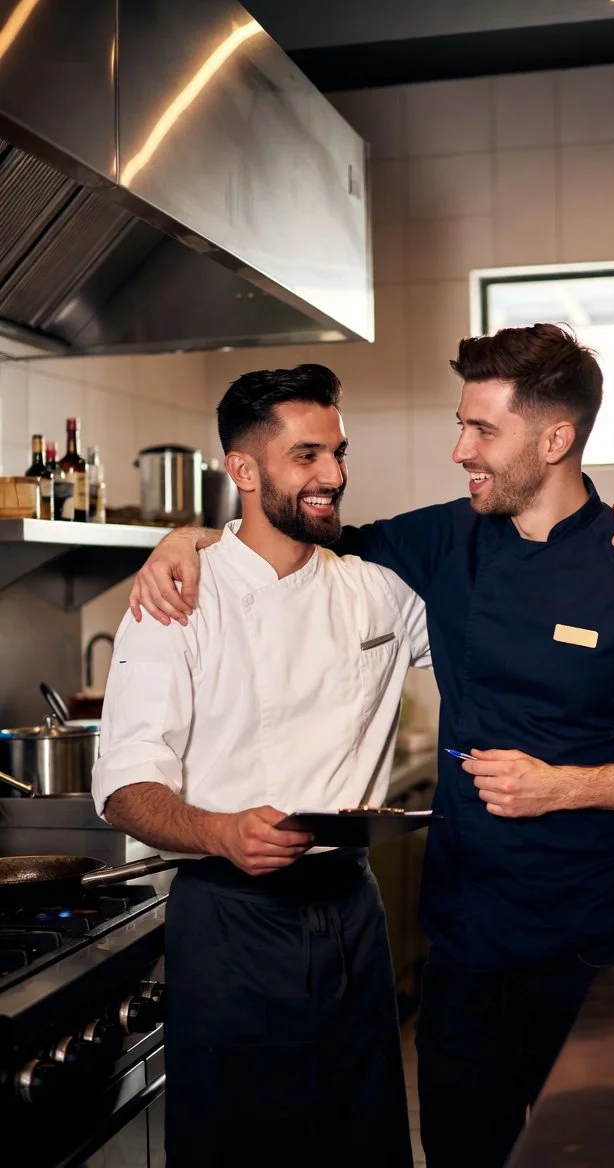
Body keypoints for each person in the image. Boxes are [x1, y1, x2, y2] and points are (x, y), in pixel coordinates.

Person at [130, 326, 614, 1168]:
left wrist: (565, 787)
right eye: (462, 425)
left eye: (481, 431)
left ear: (556, 439)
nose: (459, 451)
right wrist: (182, 538)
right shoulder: (438, 546)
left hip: (594, 953)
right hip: (462, 956)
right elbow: (289, 529)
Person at [92, 365, 433, 1168]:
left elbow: (505, 597)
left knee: (365, 1142)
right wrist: (217, 830)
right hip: (230, 917)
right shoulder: (178, 598)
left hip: (351, 909)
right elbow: (124, 786)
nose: (335, 476)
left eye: (338, 453)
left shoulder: (379, 590)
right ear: (242, 470)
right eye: (307, 456)